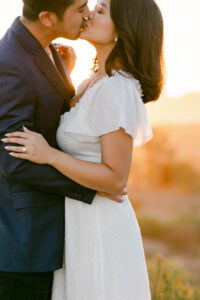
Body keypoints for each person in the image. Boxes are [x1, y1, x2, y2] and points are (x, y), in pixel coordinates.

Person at [3, 0, 164, 298]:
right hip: (76, 221)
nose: (89, 13)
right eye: (90, 7)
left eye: (100, 10)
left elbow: (116, 179)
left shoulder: (116, 88)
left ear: (123, 31)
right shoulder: (90, 82)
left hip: (100, 224)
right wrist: (62, 73)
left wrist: (49, 155)